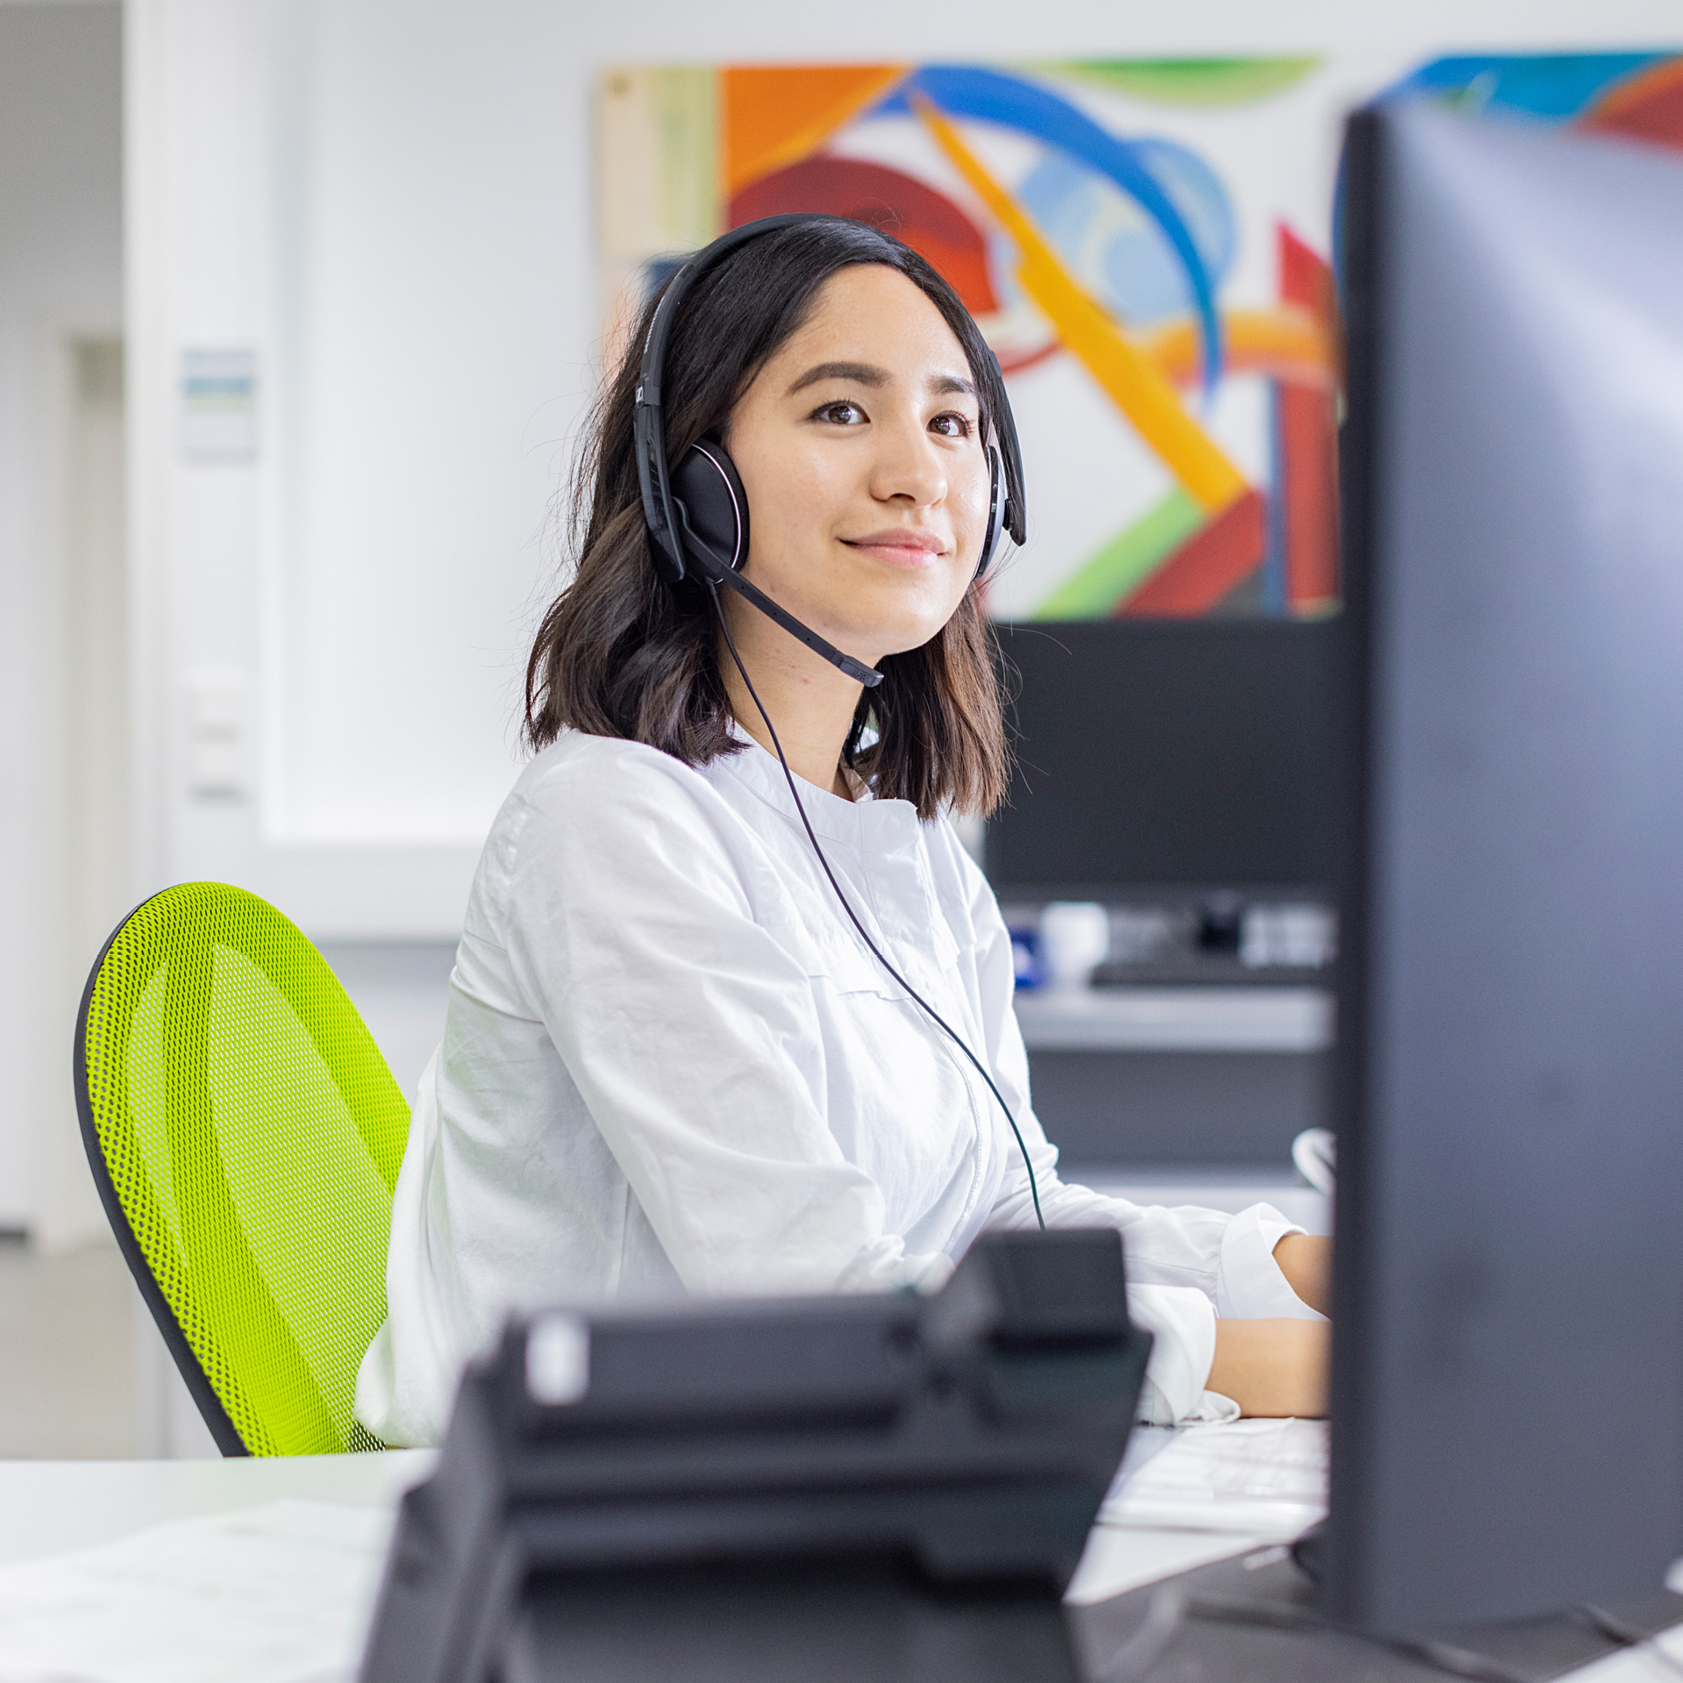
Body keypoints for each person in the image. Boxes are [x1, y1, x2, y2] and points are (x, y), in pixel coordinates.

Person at [354, 217, 1329, 1449]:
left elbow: (1007, 1219)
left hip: (821, 1474)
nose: (919, 472)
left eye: (953, 422)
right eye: (839, 412)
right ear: (691, 478)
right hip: (592, 1524)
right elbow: (820, 1304)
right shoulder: (610, 824)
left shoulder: (909, 852)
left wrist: (1295, 1267)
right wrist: (1301, 1365)